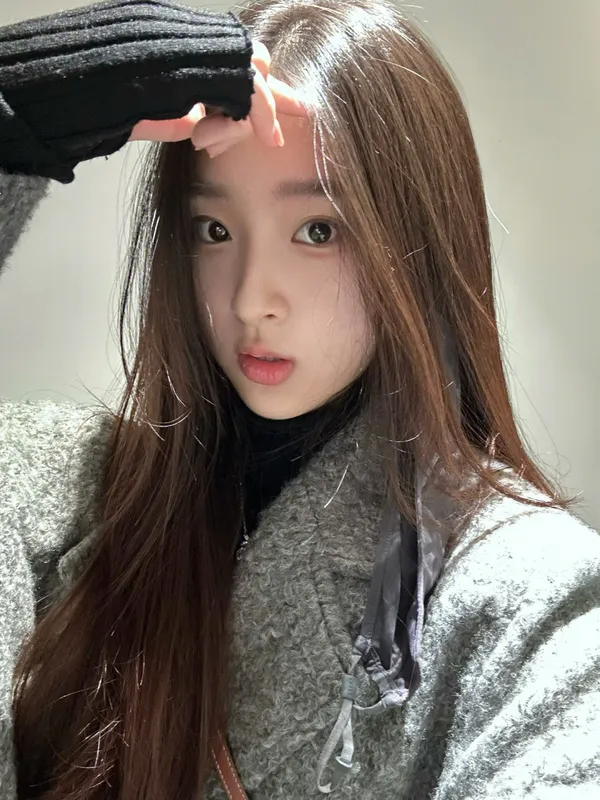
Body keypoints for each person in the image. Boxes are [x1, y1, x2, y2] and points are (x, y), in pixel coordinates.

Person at [0, 0, 598, 798]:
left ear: (416, 246)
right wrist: (10, 125)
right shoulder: (61, 504)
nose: (252, 299)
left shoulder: (520, 593)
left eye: (318, 230)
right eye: (213, 230)